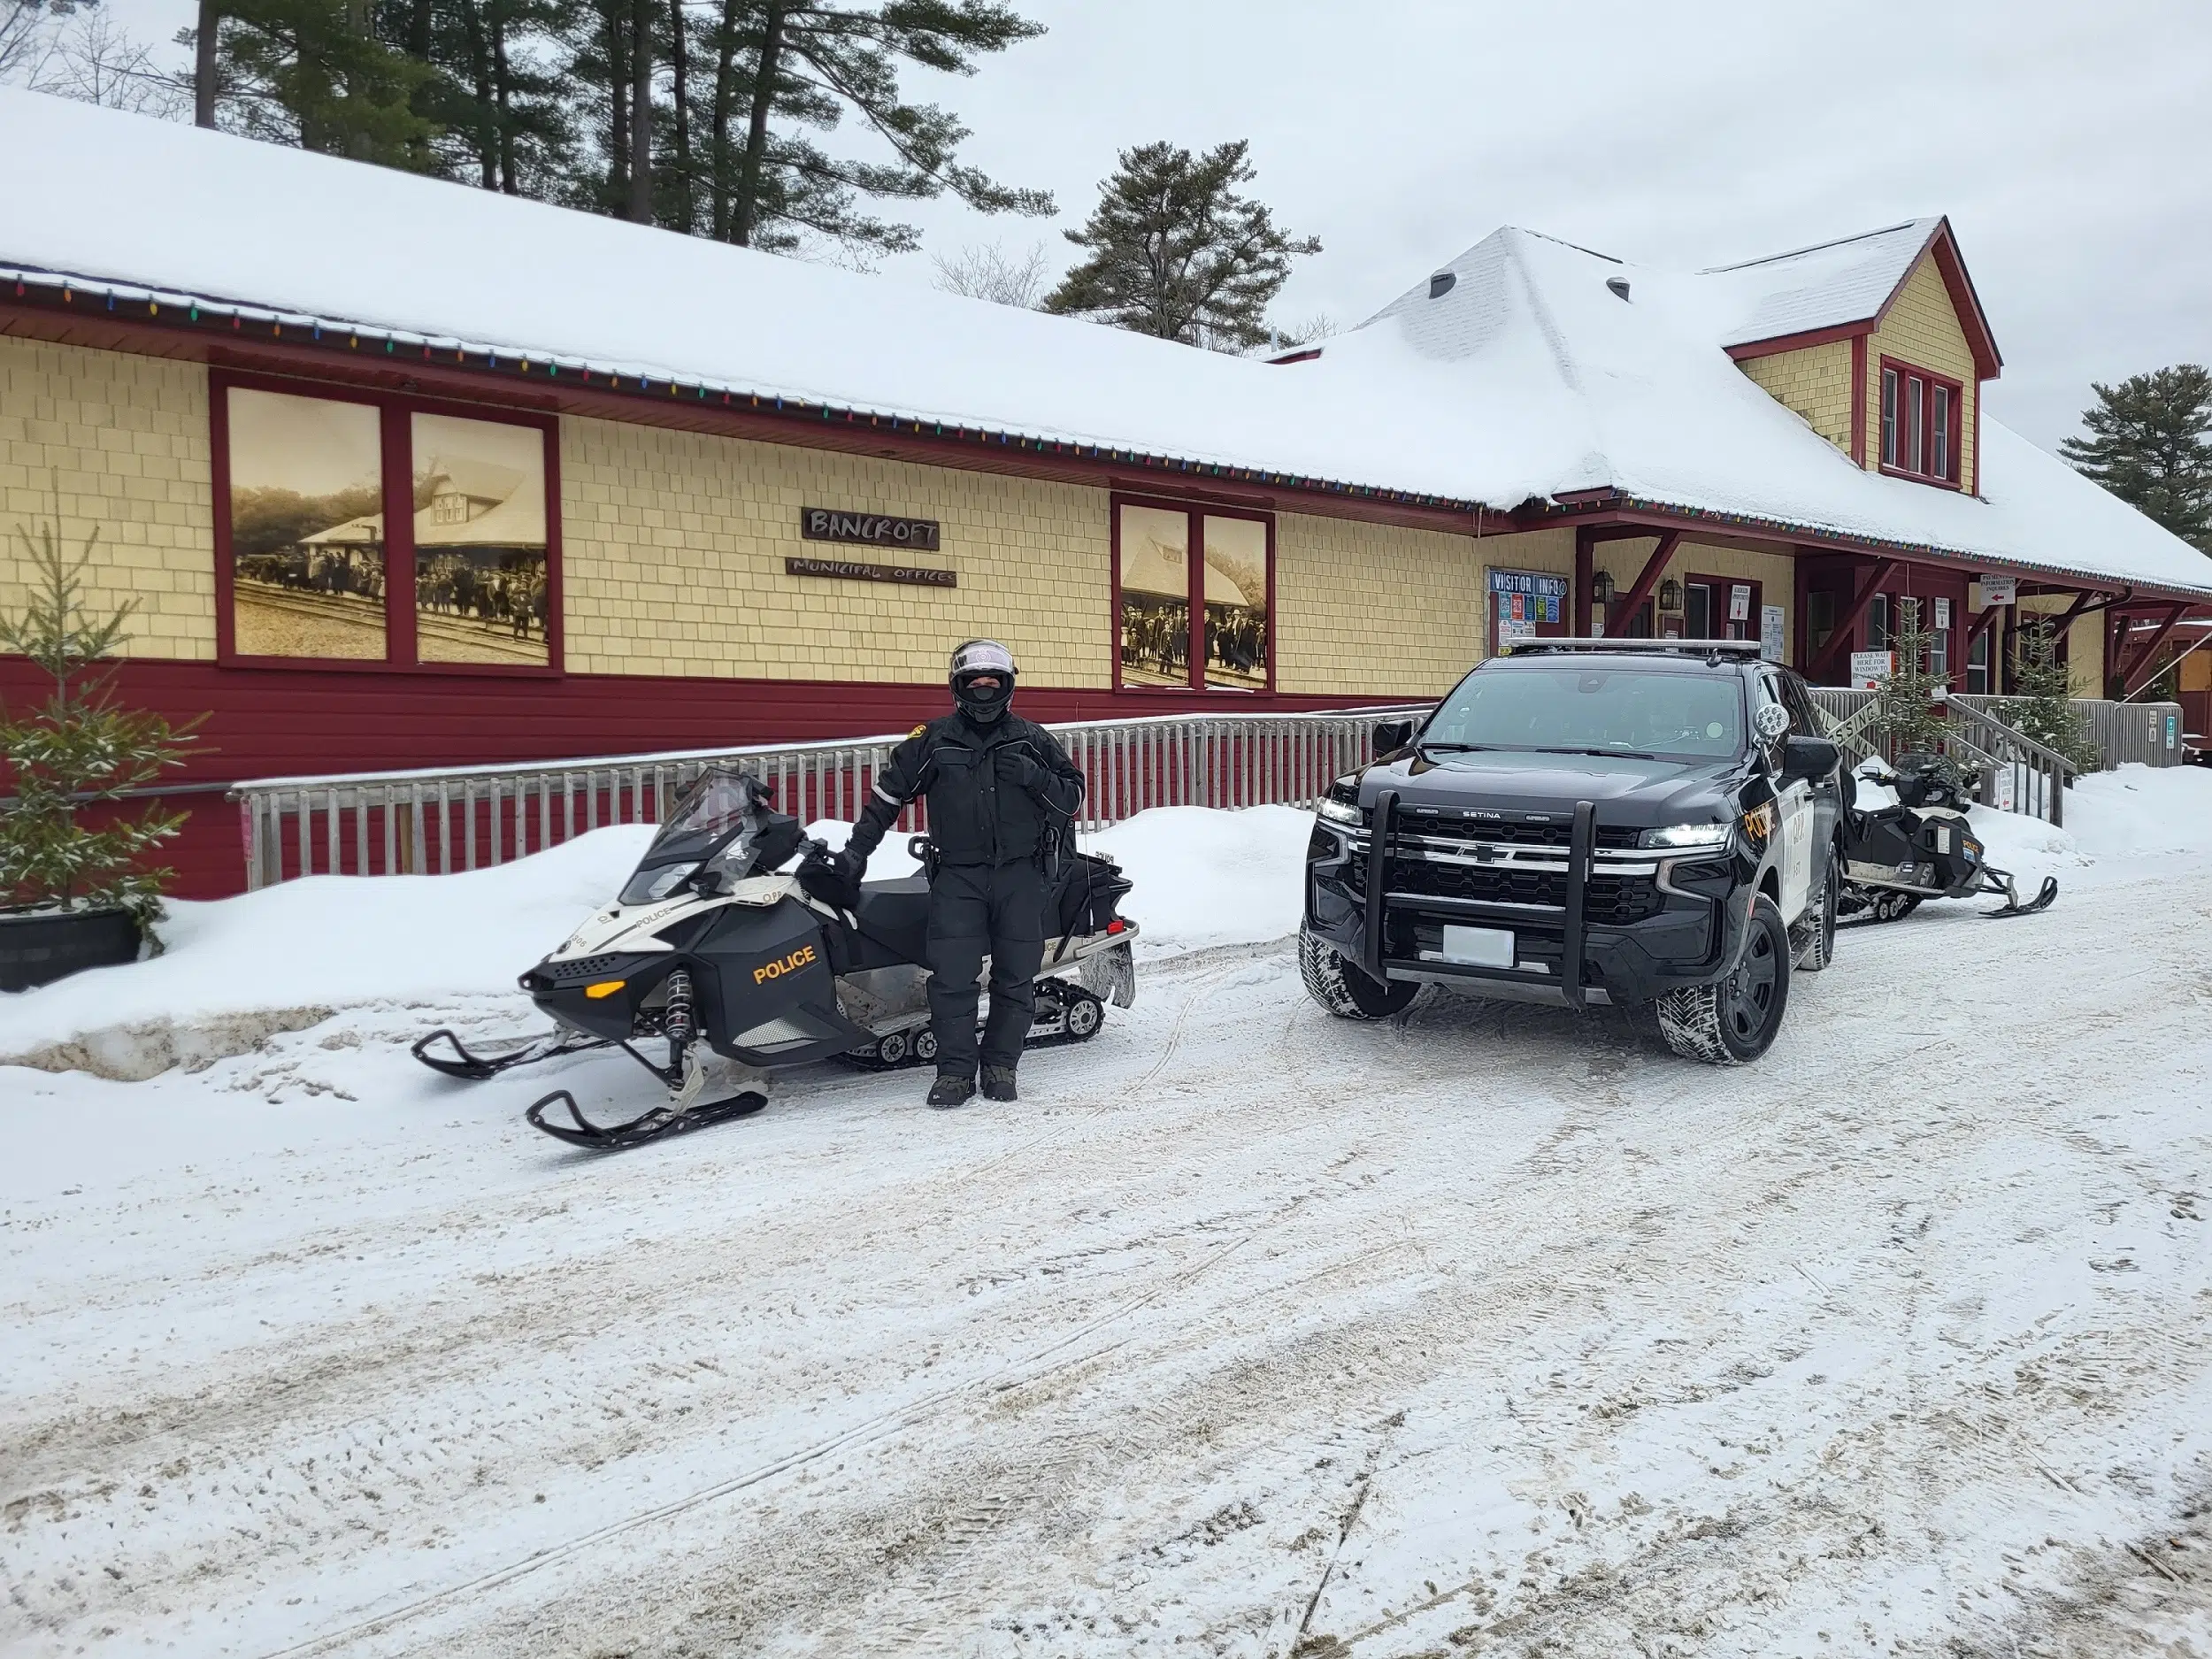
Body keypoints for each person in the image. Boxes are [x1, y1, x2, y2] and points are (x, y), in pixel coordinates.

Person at [824, 640, 1085, 1108]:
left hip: (1021, 876)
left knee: (1015, 977)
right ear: (957, 687)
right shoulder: (934, 739)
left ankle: (1002, 1064)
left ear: (1008, 687)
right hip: (957, 878)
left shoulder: (1032, 738)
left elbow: (1072, 798)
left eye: (993, 684)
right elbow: (888, 798)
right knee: (951, 979)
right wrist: (856, 854)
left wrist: (1034, 776)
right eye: (974, 684)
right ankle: (955, 1073)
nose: (983, 692)